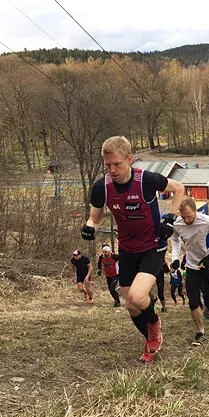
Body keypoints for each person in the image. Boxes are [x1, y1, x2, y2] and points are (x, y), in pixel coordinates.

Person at [81, 135, 185, 363]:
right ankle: (150, 339)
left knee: (138, 297)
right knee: (130, 305)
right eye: (107, 165)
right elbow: (94, 216)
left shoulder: (146, 180)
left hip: (152, 246)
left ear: (129, 159)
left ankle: (155, 326)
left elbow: (179, 188)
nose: (112, 170)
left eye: (117, 164)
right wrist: (89, 226)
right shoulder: (102, 188)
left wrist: (170, 218)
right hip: (127, 248)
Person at [171, 197, 209, 346]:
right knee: (193, 302)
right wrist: (175, 258)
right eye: (183, 217)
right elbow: (175, 240)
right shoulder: (178, 223)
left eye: (189, 216)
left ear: (195, 211)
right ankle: (200, 332)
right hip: (192, 266)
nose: (187, 220)